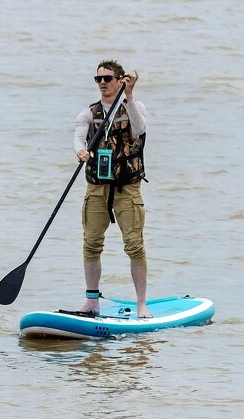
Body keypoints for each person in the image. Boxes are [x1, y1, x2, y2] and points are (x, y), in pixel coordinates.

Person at [73, 60, 149, 317]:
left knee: (134, 245)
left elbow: (140, 130)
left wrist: (129, 95)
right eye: (98, 80)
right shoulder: (89, 112)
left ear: (119, 80)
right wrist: (80, 151)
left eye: (107, 79)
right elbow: (78, 135)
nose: (102, 83)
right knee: (91, 244)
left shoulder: (134, 107)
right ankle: (92, 301)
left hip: (127, 187)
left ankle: (142, 304)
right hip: (97, 188)